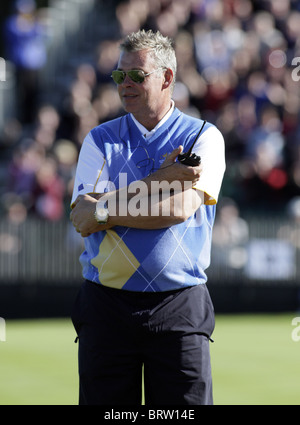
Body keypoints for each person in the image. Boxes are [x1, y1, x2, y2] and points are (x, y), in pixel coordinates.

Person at [70, 29, 225, 406]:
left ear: (167, 77)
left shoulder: (203, 137)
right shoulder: (99, 139)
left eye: (136, 75)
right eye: (119, 76)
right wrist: (162, 181)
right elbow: (82, 219)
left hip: (180, 307)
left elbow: (177, 209)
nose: (125, 84)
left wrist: (104, 207)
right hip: (105, 305)